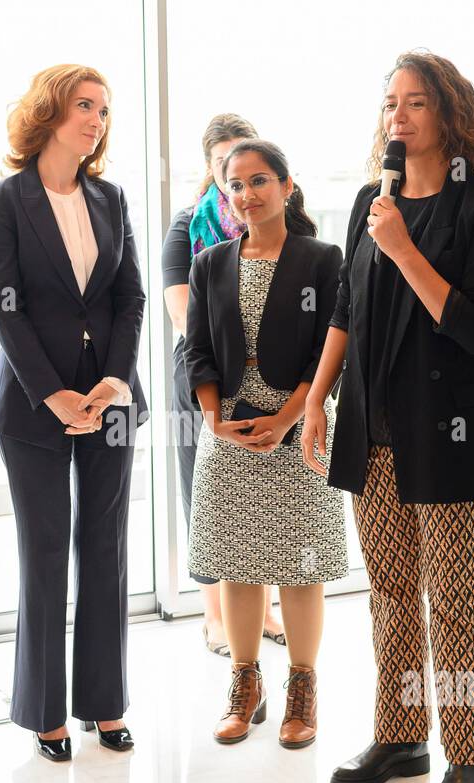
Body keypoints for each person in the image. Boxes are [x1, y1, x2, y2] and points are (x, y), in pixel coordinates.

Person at [302, 52, 474, 783]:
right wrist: (318, 398)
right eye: (391, 102)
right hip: (375, 429)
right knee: (391, 594)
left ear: (451, 115)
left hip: (455, 435)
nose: (399, 115)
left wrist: (402, 247)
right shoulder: (374, 197)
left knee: (458, 600)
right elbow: (345, 306)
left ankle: (471, 753)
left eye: (417, 102)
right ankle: (402, 737)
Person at [0, 65, 146, 762]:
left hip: (108, 398)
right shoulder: (6, 200)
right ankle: (45, 712)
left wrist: (112, 380)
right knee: (45, 551)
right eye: (84, 105)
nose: (96, 119)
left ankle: (104, 705)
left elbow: (130, 299)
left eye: (103, 110)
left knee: (104, 548)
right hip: (32, 402)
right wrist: (52, 394)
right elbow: (4, 301)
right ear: (49, 112)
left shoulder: (110, 197)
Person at [185, 139, 347, 748]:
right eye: (235, 185)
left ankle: (302, 690)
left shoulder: (322, 259)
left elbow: (328, 349)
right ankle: (244, 685)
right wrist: (212, 418)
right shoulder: (211, 263)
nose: (247, 195)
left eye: (259, 181)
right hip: (226, 429)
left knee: (301, 567)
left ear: (285, 185)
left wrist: (287, 416)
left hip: (299, 425)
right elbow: (195, 348)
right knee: (235, 561)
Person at [161, 113, 287, 656]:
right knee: (210, 495)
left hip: (271, 378)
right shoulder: (189, 226)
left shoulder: (289, 224)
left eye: (249, 166)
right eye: (225, 167)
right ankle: (215, 615)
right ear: (212, 171)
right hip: (203, 373)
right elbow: (182, 314)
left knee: (269, 495)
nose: (239, 179)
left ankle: (261, 610)